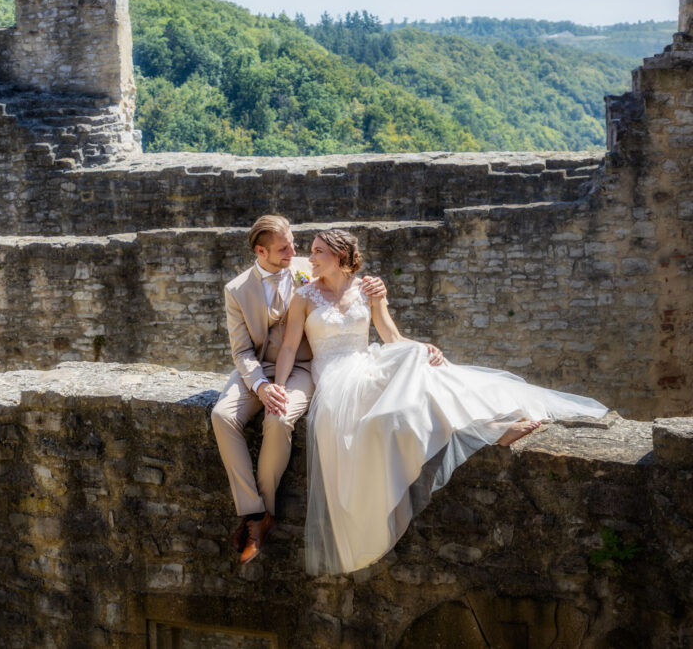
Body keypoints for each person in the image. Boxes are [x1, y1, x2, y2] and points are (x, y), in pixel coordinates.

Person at [274, 229, 608, 576]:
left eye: (318, 251)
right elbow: (287, 347)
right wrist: (278, 388)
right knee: (386, 419)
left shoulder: (368, 289)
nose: (310, 258)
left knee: (419, 366)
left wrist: (419, 346)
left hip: (367, 362)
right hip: (335, 378)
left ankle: (486, 427)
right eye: (311, 251)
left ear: (340, 257)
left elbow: (391, 336)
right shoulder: (305, 296)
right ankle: (483, 431)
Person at [211, 216, 387, 564]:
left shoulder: (311, 265)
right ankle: (255, 513)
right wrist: (260, 385)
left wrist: (377, 287)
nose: (295, 252)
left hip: (302, 368)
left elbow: (349, 275)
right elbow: (242, 352)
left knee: (277, 420)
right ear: (260, 251)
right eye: (284, 248)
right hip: (257, 369)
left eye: (294, 243)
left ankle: (260, 520)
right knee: (221, 415)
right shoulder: (236, 290)